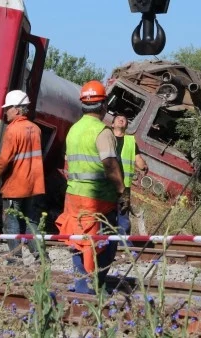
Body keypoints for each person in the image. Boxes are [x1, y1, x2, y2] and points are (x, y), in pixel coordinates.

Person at [56, 80, 129, 294]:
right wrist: (122, 192)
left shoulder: (74, 130)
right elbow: (110, 165)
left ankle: (81, 284)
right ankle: (95, 283)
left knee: (78, 239)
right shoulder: (102, 132)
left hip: (73, 196)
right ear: (104, 105)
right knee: (106, 242)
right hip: (99, 199)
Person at [0, 90, 47, 265]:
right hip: (34, 185)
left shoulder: (13, 130)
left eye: (9, 108)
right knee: (30, 222)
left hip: (16, 186)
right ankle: (42, 257)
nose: (6, 112)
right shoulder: (36, 129)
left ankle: (15, 259)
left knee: (11, 222)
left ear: (17, 110)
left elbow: (4, 159)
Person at [111, 112, 148, 246]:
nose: (122, 120)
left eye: (124, 119)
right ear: (112, 124)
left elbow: (138, 160)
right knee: (105, 214)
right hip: (107, 184)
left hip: (123, 186)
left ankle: (123, 245)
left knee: (123, 215)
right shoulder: (106, 137)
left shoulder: (131, 141)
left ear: (126, 125)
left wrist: (143, 166)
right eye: (119, 118)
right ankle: (106, 242)